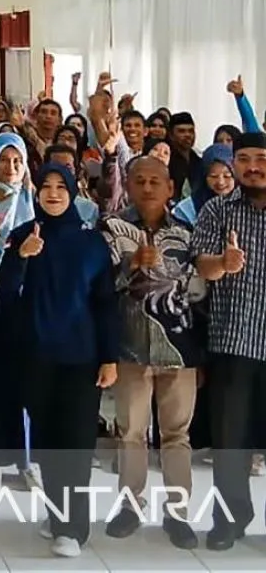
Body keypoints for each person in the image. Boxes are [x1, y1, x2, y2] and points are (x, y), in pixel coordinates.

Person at [0, 164, 119, 558]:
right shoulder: (23, 235)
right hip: (36, 357)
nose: (52, 194)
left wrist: (109, 356)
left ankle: (72, 529)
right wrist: (21, 258)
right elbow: (4, 296)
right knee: (48, 443)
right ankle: (57, 514)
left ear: (72, 192)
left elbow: (105, 303)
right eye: (45, 187)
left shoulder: (91, 243)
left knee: (76, 444)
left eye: (60, 187)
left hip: (81, 359)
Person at [100, 156, 205, 549]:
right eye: (139, 181)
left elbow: (199, 293)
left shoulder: (188, 233)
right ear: (128, 185)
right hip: (129, 347)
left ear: (170, 188)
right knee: (130, 433)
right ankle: (130, 507)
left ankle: (178, 514)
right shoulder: (111, 229)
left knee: (177, 434)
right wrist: (131, 265)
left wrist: (202, 354)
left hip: (179, 349)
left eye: (155, 181)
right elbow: (99, 285)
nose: (147, 188)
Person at [191, 131, 266, 551]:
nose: (253, 167)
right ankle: (229, 519)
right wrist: (224, 262)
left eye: (261, 159)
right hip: (233, 339)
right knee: (229, 440)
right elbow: (202, 266)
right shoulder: (218, 209)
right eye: (244, 159)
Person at [0, 133, 38, 493]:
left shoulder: (31, 202)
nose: (11, 167)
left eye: (17, 161)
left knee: (26, 384)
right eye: (3, 160)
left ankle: (28, 462)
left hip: (21, 306)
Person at [173, 145, 235, 227]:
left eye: (227, 175)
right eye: (214, 176)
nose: (221, 182)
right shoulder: (187, 209)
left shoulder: (247, 203)